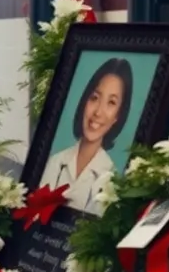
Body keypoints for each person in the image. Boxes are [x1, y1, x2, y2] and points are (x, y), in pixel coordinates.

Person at [43, 58, 134, 214]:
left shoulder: (112, 181)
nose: (98, 112)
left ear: (118, 116)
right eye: (95, 98)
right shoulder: (55, 162)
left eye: (111, 103)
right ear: (85, 100)